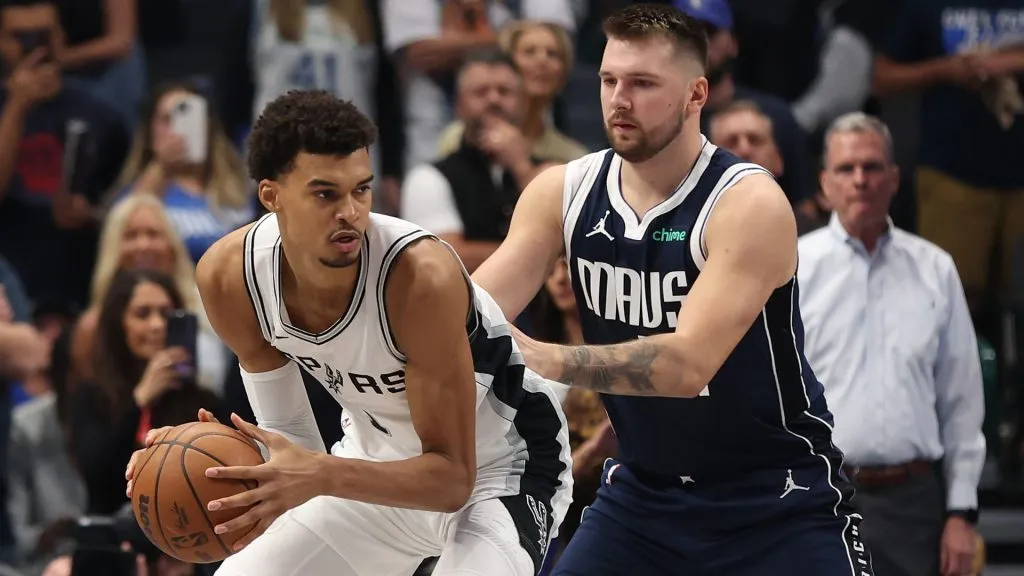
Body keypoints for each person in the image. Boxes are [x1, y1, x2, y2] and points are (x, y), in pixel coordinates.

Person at [471, 4, 872, 574]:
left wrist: (541, 357)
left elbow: (686, 367)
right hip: (644, 495)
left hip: (776, 498)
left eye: (642, 83)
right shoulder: (561, 190)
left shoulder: (746, 202)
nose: (618, 99)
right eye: (609, 80)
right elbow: (468, 313)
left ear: (695, 95)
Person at [125, 89, 573, 576]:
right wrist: (216, 458)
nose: (351, 213)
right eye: (325, 194)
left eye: (361, 189)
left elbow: (451, 481)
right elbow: (292, 439)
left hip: (499, 474)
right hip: (368, 467)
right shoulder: (230, 277)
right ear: (271, 195)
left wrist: (320, 475)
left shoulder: (419, 278)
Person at [798, 113, 985, 576]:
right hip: (819, 494)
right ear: (825, 183)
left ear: (894, 178)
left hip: (913, 501)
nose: (860, 180)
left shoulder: (935, 268)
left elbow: (961, 400)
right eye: (846, 169)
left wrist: (962, 513)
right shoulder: (795, 267)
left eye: (872, 167)